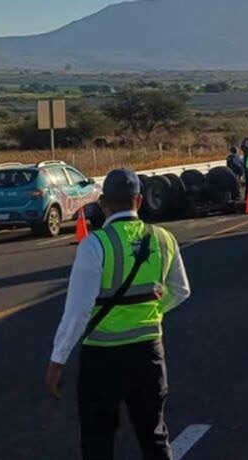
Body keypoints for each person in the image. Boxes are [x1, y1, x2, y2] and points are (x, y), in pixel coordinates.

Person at [45, 168, 191, 460]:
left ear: (103, 202)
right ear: (139, 200)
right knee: (154, 436)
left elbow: (77, 311)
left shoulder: (95, 244)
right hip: (149, 353)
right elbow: (181, 290)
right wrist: (151, 312)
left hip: (103, 357)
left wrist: (57, 361)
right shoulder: (164, 239)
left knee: (98, 440)